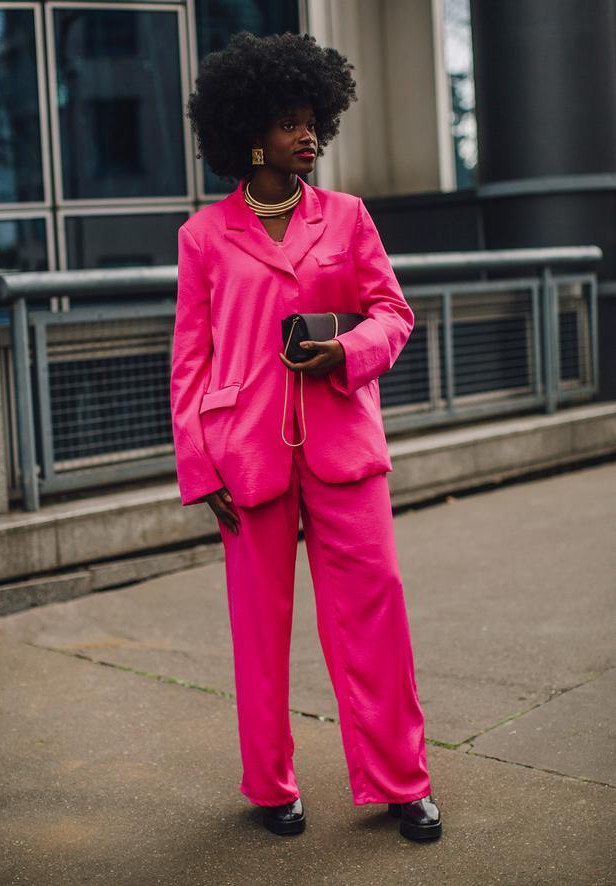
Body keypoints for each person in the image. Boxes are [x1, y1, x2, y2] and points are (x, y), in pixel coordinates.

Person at [170, 31, 442, 841]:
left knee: (378, 615)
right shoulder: (203, 237)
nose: (309, 135)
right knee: (258, 632)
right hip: (244, 455)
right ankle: (271, 786)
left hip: (343, 448)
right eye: (291, 123)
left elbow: (394, 313)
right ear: (252, 136)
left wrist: (347, 352)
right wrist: (199, 464)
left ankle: (404, 784)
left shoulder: (350, 218)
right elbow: (189, 361)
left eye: (313, 119)